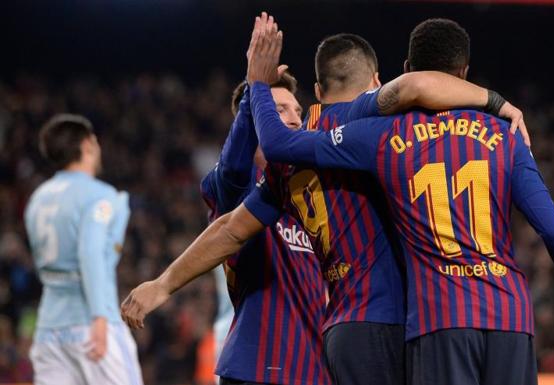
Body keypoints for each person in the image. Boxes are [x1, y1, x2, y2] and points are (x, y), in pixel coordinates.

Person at [122, 13, 527, 385]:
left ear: (317, 91)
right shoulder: (373, 126)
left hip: (339, 331)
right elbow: (419, 84)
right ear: (375, 82)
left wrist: (164, 283)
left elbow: (230, 229)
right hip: (392, 323)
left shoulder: (295, 158)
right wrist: (499, 104)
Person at [247, 18, 554, 385]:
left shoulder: (382, 136)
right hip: (509, 315)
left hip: (438, 320)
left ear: (404, 71)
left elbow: (278, 146)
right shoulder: (505, 136)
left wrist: (258, 84)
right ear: (463, 71)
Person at [199, 67, 331, 385]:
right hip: (260, 368)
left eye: (298, 111)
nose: (295, 118)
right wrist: (255, 86)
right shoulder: (238, 190)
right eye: (279, 109)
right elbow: (233, 166)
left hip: (315, 367)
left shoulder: (309, 199)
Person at [24, 114, 142, 385]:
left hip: (48, 329)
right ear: (88, 144)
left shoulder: (37, 198)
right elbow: (91, 255)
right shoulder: (100, 196)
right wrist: (99, 317)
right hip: (91, 323)